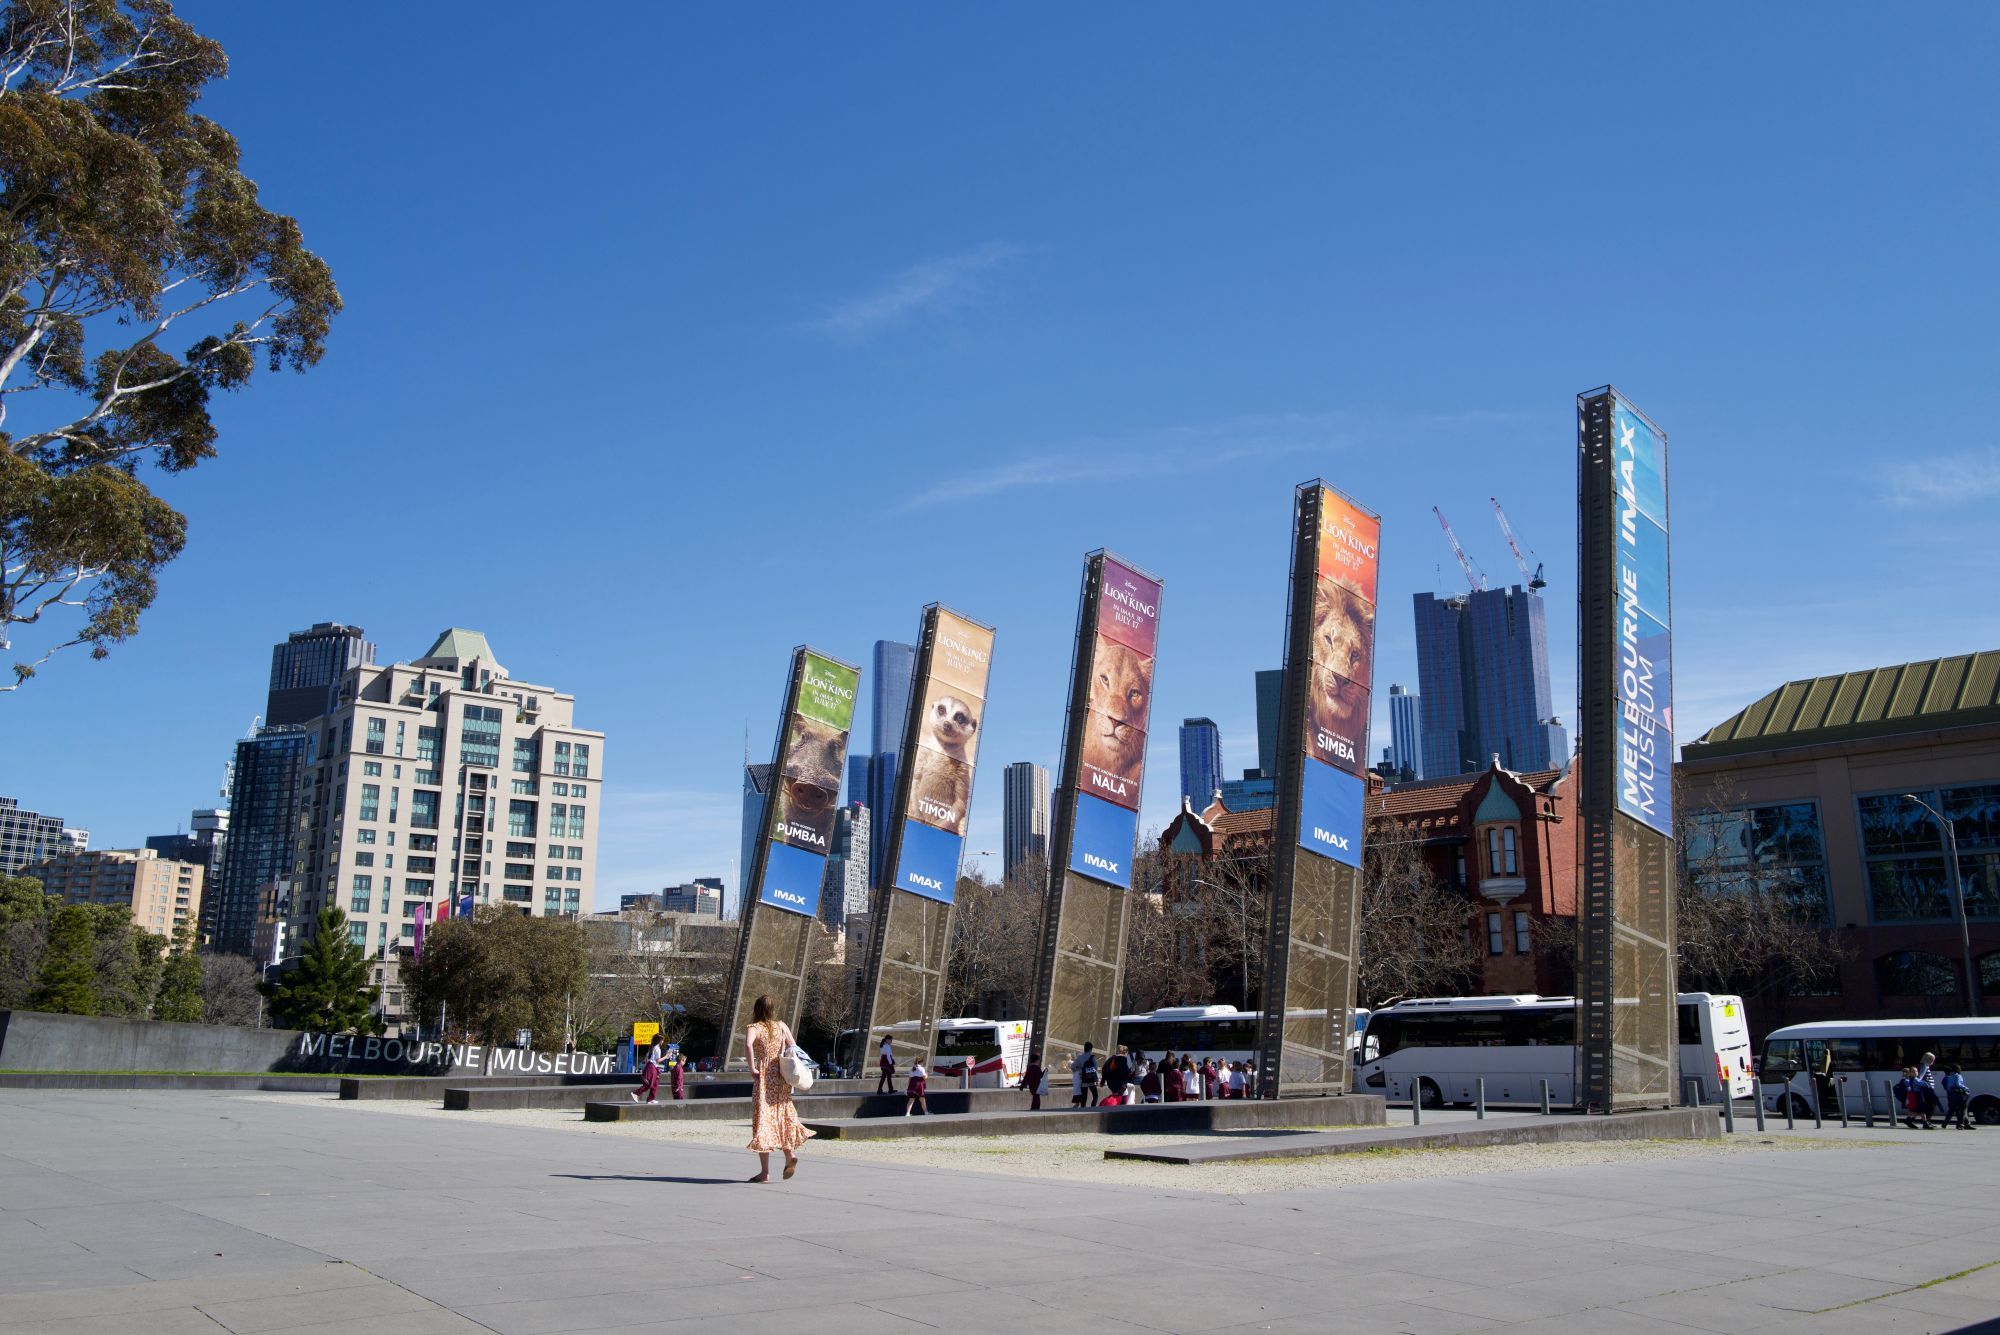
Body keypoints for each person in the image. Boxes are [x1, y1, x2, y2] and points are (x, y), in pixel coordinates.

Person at [744, 994, 811, 1182]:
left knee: (763, 1121)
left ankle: (765, 1172)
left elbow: (748, 1045)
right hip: (781, 1078)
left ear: (756, 1009)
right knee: (783, 1116)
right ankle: (790, 1155)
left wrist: (752, 1068)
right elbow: (793, 1046)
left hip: (765, 1079)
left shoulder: (754, 1028)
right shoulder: (781, 1026)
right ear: (772, 1009)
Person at [1894, 1066, 1932, 1130]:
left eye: (1916, 1071)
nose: (1916, 1073)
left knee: (1919, 1111)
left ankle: (1911, 1121)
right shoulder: (1915, 1080)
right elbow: (1924, 1084)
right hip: (1917, 1096)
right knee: (1920, 1110)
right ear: (1910, 1073)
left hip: (1917, 1096)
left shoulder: (1912, 1079)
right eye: (1913, 1071)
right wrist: (1927, 1082)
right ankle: (1922, 1123)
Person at [1941, 1064, 1974, 1130]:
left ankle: (1945, 1123)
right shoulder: (1958, 1076)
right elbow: (1959, 1084)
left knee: (1952, 1110)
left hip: (1950, 1095)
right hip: (1959, 1095)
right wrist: (1966, 1089)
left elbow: (1946, 1086)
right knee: (1962, 1110)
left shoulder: (1948, 1077)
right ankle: (1961, 1125)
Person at [630, 1038, 661, 1104]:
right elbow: (658, 1060)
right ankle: (636, 1093)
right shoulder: (657, 1049)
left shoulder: (651, 1048)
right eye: (662, 1040)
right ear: (660, 1041)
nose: (663, 1042)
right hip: (652, 1067)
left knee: (655, 1084)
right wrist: (666, 1056)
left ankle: (650, 1099)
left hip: (651, 1066)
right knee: (649, 1084)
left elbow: (646, 1058)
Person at [1078, 1042, 1101, 1107]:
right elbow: (1096, 1067)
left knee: (1084, 1097)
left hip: (1083, 1079)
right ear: (1091, 1049)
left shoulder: (1080, 1057)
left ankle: (1082, 1110)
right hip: (1091, 1079)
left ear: (1084, 1048)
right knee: (1095, 1095)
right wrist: (1098, 1079)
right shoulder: (1092, 1057)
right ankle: (1092, 1108)